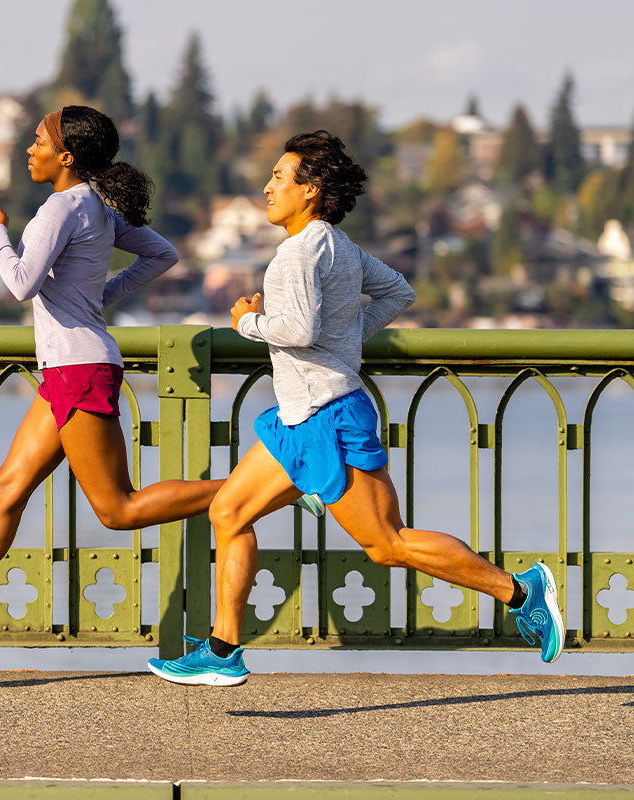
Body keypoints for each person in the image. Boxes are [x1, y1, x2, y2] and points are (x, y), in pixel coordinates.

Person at [148, 130, 565, 686]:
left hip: (328, 418)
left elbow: (296, 328)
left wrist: (246, 322)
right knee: (228, 512)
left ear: (311, 189)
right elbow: (398, 292)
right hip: (302, 420)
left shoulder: (296, 255)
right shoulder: (339, 247)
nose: (267, 187)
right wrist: (346, 341)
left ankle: (520, 590)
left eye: (279, 177)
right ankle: (223, 650)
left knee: (387, 544)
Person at [0, 105, 231, 656]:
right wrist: (98, 299)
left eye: (38, 139)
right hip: (69, 371)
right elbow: (163, 253)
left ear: (66, 156)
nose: (29, 148)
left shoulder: (61, 208)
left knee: (118, 510)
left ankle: (266, 489)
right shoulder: (94, 206)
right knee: (5, 490)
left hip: (78, 370)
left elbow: (20, 284)